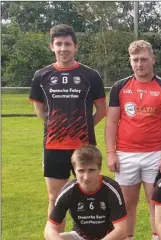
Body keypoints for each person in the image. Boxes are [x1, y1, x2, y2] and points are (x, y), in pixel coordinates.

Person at [29, 24, 106, 223]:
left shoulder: (91, 76)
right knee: (55, 198)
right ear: (51, 47)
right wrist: (58, 128)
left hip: (84, 148)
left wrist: (83, 127)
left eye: (68, 44)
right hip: (54, 147)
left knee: (90, 196)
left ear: (76, 46)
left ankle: (88, 235)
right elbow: (39, 110)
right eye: (59, 44)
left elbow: (102, 111)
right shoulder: (41, 76)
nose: (63, 48)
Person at [105, 40, 161, 240]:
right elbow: (111, 122)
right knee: (127, 203)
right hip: (125, 154)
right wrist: (111, 153)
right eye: (135, 60)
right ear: (130, 62)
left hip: (156, 154)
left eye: (144, 59)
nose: (140, 64)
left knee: (156, 202)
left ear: (153, 60)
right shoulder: (119, 87)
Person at [44, 145, 127, 240]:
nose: (86, 177)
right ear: (75, 171)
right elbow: (49, 229)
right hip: (80, 237)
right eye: (81, 171)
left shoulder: (111, 189)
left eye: (91, 170)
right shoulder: (68, 191)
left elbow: (121, 230)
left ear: (100, 169)